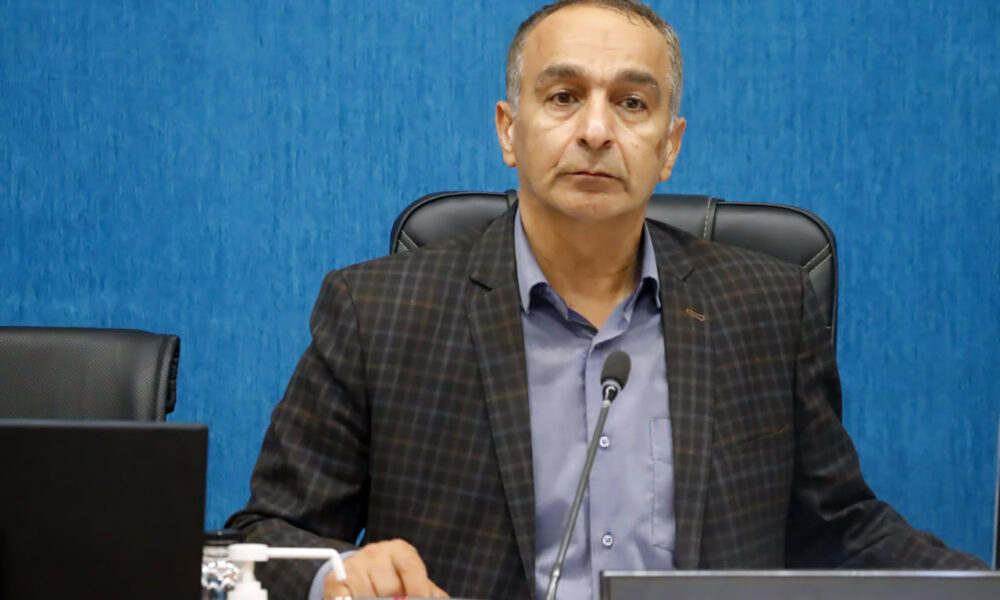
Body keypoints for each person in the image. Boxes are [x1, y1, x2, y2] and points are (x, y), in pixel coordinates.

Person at [227, 1, 985, 598]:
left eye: (631, 103)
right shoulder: (378, 312)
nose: (595, 129)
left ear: (669, 145)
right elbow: (262, 539)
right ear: (509, 131)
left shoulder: (767, 310)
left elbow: (841, 528)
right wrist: (335, 576)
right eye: (563, 96)